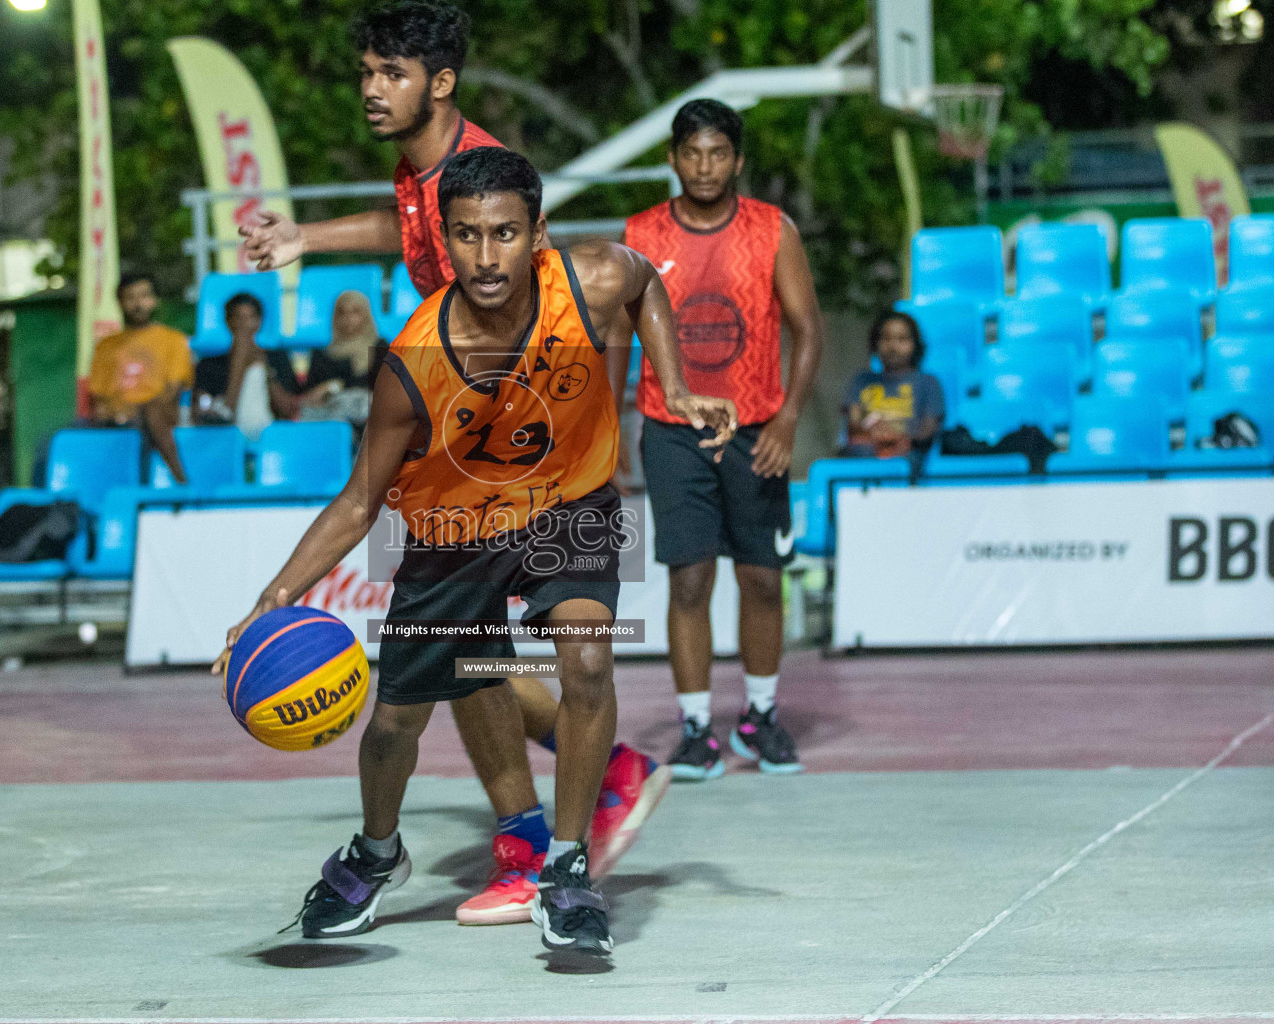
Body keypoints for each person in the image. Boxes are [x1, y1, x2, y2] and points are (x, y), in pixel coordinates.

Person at [217, 148, 737, 955]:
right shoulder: (414, 364)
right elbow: (358, 501)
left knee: (589, 665)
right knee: (394, 723)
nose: (485, 256)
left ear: (538, 233)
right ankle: (375, 854)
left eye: (503, 233)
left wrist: (673, 385)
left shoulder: (590, 277)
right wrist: (268, 603)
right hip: (451, 528)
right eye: (465, 236)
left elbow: (646, 283)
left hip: (570, 498)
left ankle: (566, 870)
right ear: (446, 243)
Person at [241, 0, 669, 926]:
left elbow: (627, 277)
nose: (368, 90)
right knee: (454, 670)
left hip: (530, 449)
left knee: (537, 656)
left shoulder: (471, 181)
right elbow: (408, 237)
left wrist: (653, 397)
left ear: (440, 83)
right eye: (365, 72)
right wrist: (307, 239)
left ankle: (545, 845)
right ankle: (577, 789)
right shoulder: (421, 182)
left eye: (388, 74)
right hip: (455, 440)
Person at [622, 99, 824, 781]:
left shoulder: (773, 230)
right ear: (674, 159)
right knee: (690, 580)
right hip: (673, 429)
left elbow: (809, 327)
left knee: (763, 580)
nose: (704, 166)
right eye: (691, 153)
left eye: (717, 153)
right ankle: (695, 729)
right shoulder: (641, 233)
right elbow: (618, 334)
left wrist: (789, 419)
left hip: (757, 426)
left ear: (737, 160)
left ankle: (761, 716)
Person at [87, 272, 193, 483]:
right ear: (120, 302)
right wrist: (115, 413)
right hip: (116, 418)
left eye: (144, 296)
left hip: (157, 416)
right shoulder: (105, 347)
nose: (138, 304)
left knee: (151, 414)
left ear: (155, 300)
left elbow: (171, 392)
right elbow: (99, 397)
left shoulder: (173, 340)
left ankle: (181, 482)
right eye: (130, 297)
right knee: (52, 442)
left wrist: (136, 410)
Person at [192, 292, 299, 442]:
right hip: (226, 440)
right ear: (228, 322)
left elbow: (288, 411)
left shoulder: (276, 358)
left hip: (270, 438)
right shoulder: (209, 365)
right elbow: (221, 416)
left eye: (250, 318)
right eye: (238, 318)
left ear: (259, 322)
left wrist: (265, 370)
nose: (243, 325)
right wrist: (239, 363)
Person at [842, 311, 944, 460]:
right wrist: (876, 435)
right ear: (875, 342)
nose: (893, 346)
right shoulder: (861, 381)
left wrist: (898, 438)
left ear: (915, 343)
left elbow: (928, 430)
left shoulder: (928, 383)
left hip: (910, 456)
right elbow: (853, 423)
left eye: (902, 339)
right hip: (867, 454)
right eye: (886, 338)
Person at [299, 291, 387, 429]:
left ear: (366, 315)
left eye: (355, 312)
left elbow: (384, 391)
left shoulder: (379, 348)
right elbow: (312, 396)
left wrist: (332, 387)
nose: (348, 318)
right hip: (330, 417)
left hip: (368, 420)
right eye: (342, 312)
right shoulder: (322, 355)